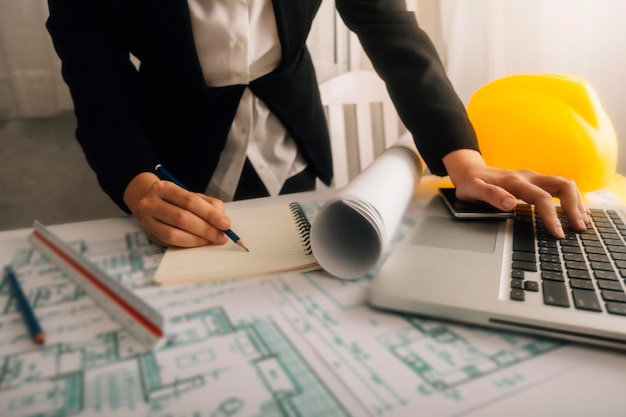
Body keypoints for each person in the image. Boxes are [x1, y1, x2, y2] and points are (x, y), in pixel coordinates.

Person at [46, 0, 589, 248]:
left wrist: (463, 159)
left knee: (298, 252)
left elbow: (387, 27)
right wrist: (138, 184)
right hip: (174, 147)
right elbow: (98, 88)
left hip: (293, 131)